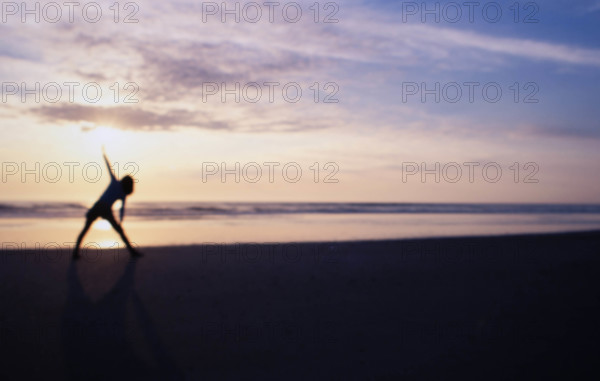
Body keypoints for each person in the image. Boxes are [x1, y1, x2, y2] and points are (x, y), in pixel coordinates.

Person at [73, 151, 141, 259]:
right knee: (120, 231)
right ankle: (132, 252)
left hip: (98, 206)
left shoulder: (115, 183)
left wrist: (104, 155)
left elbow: (109, 167)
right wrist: (121, 221)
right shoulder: (122, 192)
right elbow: (122, 209)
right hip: (105, 209)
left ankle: (75, 253)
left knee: (85, 229)